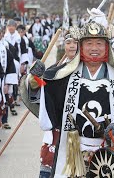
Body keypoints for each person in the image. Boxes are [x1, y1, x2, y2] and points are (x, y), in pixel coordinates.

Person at [26, 21, 114, 177]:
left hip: (105, 150)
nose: (94, 48)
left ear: (107, 47)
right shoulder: (65, 74)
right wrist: (34, 80)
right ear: (81, 46)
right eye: (89, 43)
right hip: (73, 147)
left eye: (99, 43)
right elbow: (46, 94)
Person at [39, 31, 78, 177]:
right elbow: (40, 87)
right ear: (64, 47)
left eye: (75, 43)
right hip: (57, 122)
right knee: (49, 160)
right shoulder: (54, 71)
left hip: (77, 125)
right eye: (68, 43)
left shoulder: (86, 69)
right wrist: (34, 79)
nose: (72, 46)